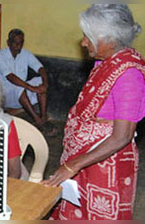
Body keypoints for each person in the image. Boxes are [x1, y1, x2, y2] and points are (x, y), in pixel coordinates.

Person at [42, 4, 145, 220]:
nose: (83, 42)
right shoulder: (103, 63)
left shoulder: (129, 76)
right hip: (86, 159)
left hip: (107, 167)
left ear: (109, 39)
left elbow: (122, 136)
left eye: (88, 36)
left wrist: (72, 166)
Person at [0, 28, 52, 132]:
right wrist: (32, 88)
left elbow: (40, 68)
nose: (18, 46)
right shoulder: (0, 56)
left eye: (21, 43)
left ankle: (43, 117)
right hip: (5, 94)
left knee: (40, 81)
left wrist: (45, 84)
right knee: (19, 86)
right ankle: (37, 120)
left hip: (21, 94)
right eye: (15, 43)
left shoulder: (25, 54)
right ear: (8, 43)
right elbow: (10, 77)